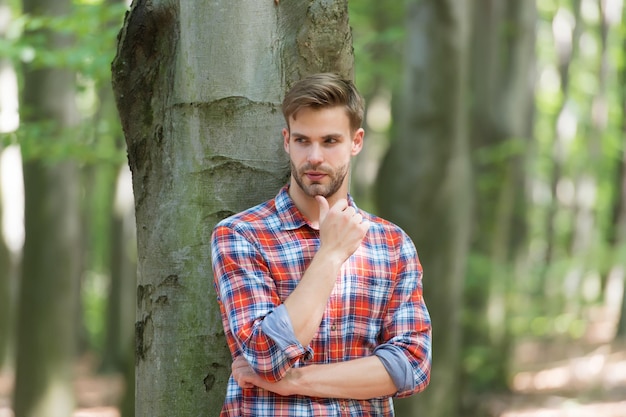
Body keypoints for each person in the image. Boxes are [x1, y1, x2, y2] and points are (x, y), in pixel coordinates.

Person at [211, 72, 431, 416]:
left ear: (356, 142)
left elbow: (411, 366)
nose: (314, 157)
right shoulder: (241, 235)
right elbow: (266, 356)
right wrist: (331, 252)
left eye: (330, 141)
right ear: (286, 141)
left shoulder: (392, 244)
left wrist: (292, 381)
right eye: (302, 141)